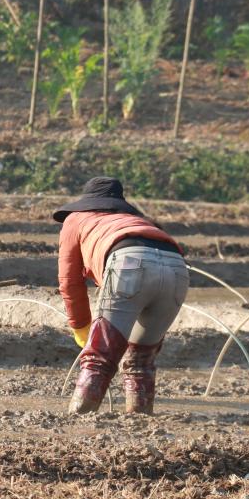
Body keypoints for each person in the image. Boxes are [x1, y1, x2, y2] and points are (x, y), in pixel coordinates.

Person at [55, 177, 188, 415]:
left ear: (86, 203)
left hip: (129, 263)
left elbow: (70, 282)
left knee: (98, 358)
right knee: (141, 361)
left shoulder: (75, 219)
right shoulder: (138, 221)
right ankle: (139, 420)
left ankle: (78, 418)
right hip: (177, 269)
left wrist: (81, 329)